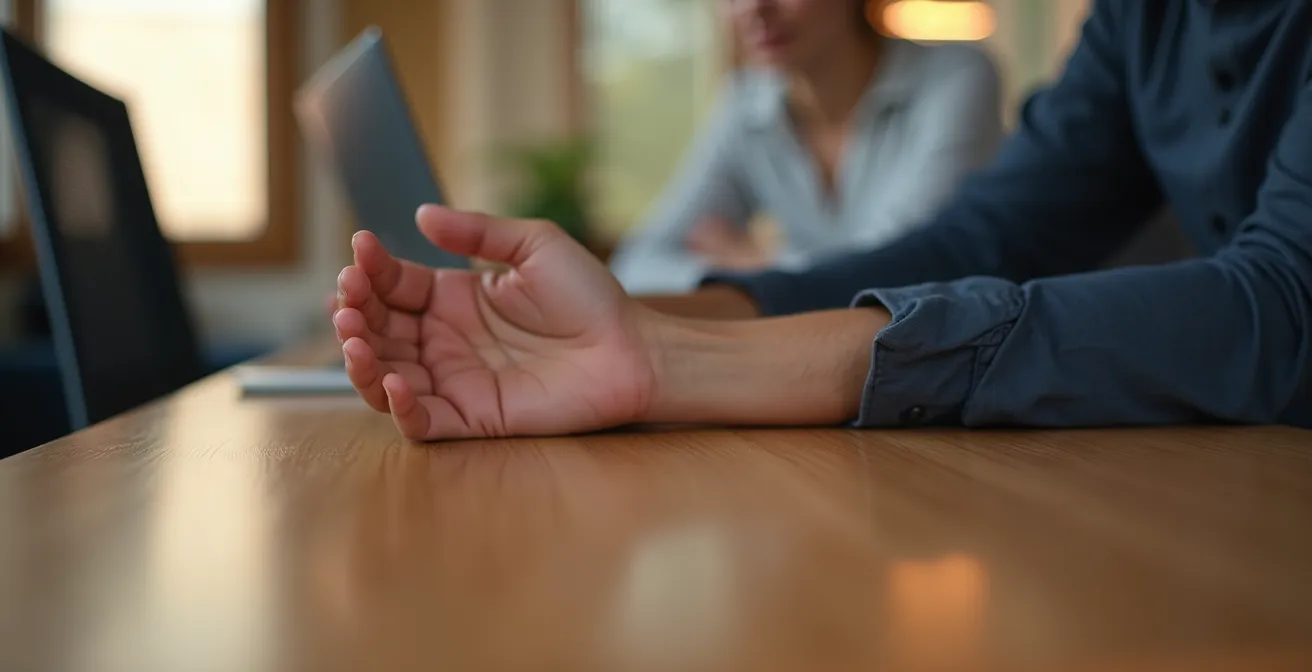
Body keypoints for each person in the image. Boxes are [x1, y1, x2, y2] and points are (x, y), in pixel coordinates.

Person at [331, 0, 1312, 440]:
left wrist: (678, 360)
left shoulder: (950, 75)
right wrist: (655, 319)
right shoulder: (1141, 18)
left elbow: (1281, 305)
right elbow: (976, 241)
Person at [608, 0, 1003, 294]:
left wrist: (760, 265)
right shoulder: (744, 105)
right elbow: (637, 265)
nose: (755, 9)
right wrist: (766, 274)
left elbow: (903, 271)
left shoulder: (957, 77)